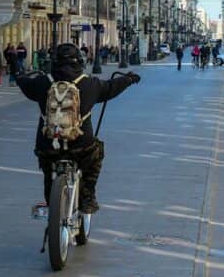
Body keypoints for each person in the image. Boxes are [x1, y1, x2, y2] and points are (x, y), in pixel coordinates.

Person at [16, 43, 140, 213]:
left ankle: (51, 204)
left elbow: (24, 83)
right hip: (81, 146)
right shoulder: (90, 84)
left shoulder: (42, 82)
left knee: (47, 169)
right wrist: (129, 79)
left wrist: (19, 76)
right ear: (79, 62)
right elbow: (111, 87)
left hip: (48, 146)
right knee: (96, 155)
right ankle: (88, 197)